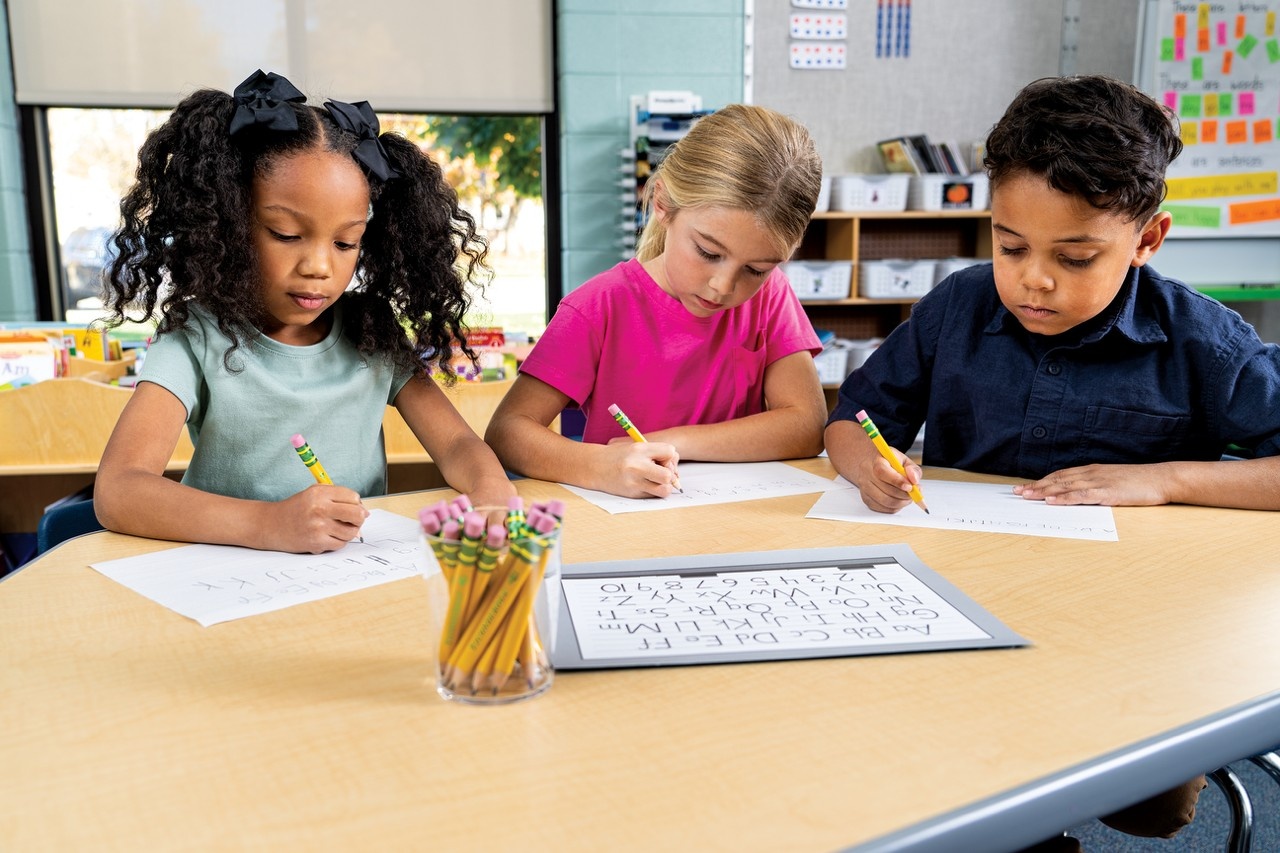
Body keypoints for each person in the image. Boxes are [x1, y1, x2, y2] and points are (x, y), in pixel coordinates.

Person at [827, 73, 1280, 845]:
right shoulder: (957, 308)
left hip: (1128, 635)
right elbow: (852, 419)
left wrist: (1167, 479)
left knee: (1150, 807)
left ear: (1148, 240)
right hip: (960, 611)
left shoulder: (1203, 339)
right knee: (912, 769)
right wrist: (865, 461)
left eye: (1074, 258)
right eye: (1010, 245)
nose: (1033, 279)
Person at [94, 70, 515, 554]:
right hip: (229, 577)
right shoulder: (196, 336)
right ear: (229, 225)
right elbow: (119, 489)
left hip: (346, 576)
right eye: (287, 235)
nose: (319, 267)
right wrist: (268, 525)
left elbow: (458, 446)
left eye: (345, 242)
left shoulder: (371, 331)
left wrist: (490, 488)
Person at [485, 104, 828, 498]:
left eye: (756, 269)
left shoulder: (771, 296)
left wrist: (670, 441)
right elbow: (507, 431)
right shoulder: (599, 306)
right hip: (627, 526)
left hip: (734, 522)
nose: (722, 286)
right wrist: (600, 466)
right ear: (663, 204)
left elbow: (806, 426)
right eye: (708, 253)